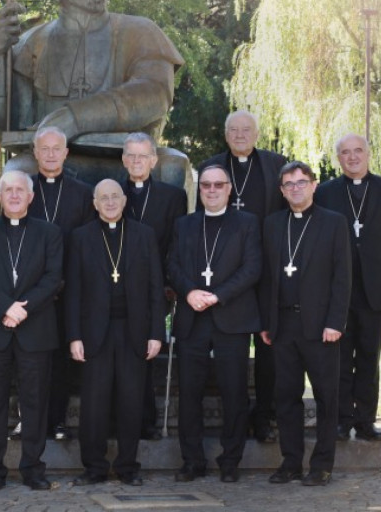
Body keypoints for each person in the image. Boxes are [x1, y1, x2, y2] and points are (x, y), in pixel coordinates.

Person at [0, 0, 186, 186]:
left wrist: (75, 118)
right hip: (53, 164)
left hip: (128, 162)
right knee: (18, 170)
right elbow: (10, 127)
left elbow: (154, 94)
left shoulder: (141, 32)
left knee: (173, 167)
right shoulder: (31, 43)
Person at [0, 170, 63, 492]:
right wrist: (5, 308)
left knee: (34, 403)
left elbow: (53, 278)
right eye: (7, 190)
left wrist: (22, 308)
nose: (14, 195)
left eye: (20, 190)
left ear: (31, 196)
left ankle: (33, 469)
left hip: (35, 330)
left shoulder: (49, 233)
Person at [66, 179, 165, 486]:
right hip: (94, 333)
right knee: (93, 404)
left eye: (115, 197)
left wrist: (156, 332)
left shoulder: (144, 235)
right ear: (94, 204)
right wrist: (74, 336)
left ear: (124, 201)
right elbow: (73, 291)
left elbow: (155, 289)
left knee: (131, 401)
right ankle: (94, 467)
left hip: (134, 331)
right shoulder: (81, 237)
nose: (110, 202)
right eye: (103, 198)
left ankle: (128, 467)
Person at [259, 161, 351, 487]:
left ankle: (322, 465)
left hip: (321, 327)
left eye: (301, 182)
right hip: (282, 325)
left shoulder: (334, 223)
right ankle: (291, 462)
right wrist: (267, 322)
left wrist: (335, 322)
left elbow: (343, 277)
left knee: (327, 397)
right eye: (289, 184)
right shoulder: (271, 224)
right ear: (282, 191)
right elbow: (268, 278)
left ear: (314, 185)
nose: (295, 188)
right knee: (286, 397)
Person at [168, 165, 262, 483]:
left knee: (234, 392)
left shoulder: (246, 224)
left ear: (228, 188)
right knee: (189, 394)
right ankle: (192, 460)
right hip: (192, 319)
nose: (211, 190)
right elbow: (172, 264)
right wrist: (190, 291)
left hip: (231, 318)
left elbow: (252, 268)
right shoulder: (184, 224)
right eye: (205, 185)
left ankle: (230, 460)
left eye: (217, 185)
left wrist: (217, 295)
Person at [314, 134, 381, 442]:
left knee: (369, 359)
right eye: (345, 152)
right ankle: (342, 421)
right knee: (339, 360)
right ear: (338, 158)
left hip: (377, 291)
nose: (352, 157)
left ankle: (366, 422)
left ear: (368, 154)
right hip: (337, 293)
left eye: (358, 151)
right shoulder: (326, 193)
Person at [198, 110, 287, 443]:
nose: (239, 135)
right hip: (222, 277)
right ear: (225, 134)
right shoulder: (211, 167)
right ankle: (231, 418)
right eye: (233, 129)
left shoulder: (277, 164)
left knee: (269, 348)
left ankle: (265, 416)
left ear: (257, 134)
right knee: (229, 349)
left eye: (245, 129)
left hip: (267, 271)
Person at [19, 126, 94, 441]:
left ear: (66, 153)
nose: (50, 154)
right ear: (35, 153)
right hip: (31, 293)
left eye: (56, 149)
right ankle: (29, 419)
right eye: (44, 149)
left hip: (69, 289)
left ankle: (59, 419)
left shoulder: (81, 192)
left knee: (62, 358)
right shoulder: (22, 189)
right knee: (29, 359)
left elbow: (87, 243)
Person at [120, 132, 187, 438]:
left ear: (154, 161)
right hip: (114, 291)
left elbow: (176, 244)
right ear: (123, 160)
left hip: (153, 291)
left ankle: (145, 420)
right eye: (131, 156)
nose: (137, 161)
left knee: (144, 357)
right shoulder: (110, 192)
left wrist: (169, 283)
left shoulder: (172, 197)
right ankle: (116, 421)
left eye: (143, 156)